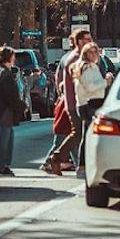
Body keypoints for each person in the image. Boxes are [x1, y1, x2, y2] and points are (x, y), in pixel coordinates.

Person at [42, 28, 92, 176]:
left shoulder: (74, 57)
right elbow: (81, 82)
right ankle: (60, 160)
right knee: (77, 135)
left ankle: (71, 162)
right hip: (77, 103)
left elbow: (59, 79)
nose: (90, 42)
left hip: (76, 102)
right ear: (79, 41)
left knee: (77, 135)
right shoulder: (75, 59)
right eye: (87, 39)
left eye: (90, 39)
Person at [0, 45, 24, 177]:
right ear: (9, 58)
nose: (14, 59)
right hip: (3, 112)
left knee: (6, 138)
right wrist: (20, 106)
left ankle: (3, 165)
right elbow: (10, 94)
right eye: (13, 57)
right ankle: (1, 166)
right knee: (4, 140)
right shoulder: (4, 73)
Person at [72, 42, 111, 171]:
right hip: (90, 104)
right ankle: (83, 164)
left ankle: (83, 164)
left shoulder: (88, 66)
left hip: (87, 103)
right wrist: (106, 81)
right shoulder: (87, 67)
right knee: (90, 136)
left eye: (96, 52)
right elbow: (91, 87)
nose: (94, 54)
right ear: (85, 54)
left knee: (88, 136)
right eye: (90, 52)